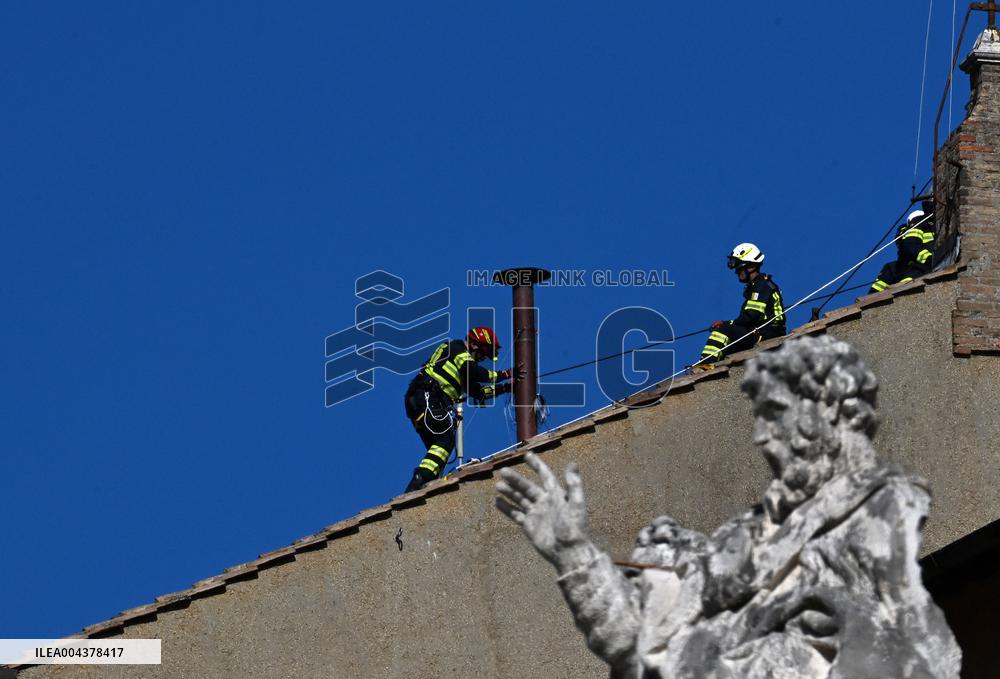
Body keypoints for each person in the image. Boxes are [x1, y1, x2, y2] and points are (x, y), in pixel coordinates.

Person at [495, 336, 961, 679]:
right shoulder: (745, 535)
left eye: (776, 415)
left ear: (829, 410)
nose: (761, 438)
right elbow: (638, 646)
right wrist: (573, 552)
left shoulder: (877, 509)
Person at [404, 326, 518, 492]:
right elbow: (475, 371)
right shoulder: (456, 348)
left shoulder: (462, 366)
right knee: (445, 438)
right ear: (473, 345)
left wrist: (506, 388)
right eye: (482, 353)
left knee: (441, 447)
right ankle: (420, 479)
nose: (481, 358)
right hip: (427, 396)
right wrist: (504, 374)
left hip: (422, 401)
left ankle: (425, 484)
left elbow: (479, 392)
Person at [696, 242, 785, 368]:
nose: (737, 272)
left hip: (767, 334)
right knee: (726, 350)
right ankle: (712, 370)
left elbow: (751, 316)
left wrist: (726, 324)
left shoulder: (761, 285)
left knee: (722, 330)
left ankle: (704, 365)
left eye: (739, 268)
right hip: (759, 333)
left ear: (751, 266)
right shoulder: (757, 286)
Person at [869, 209, 935, 293]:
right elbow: (911, 247)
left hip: (917, 271)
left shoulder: (916, 227)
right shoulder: (922, 228)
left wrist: (928, 258)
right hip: (920, 269)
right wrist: (929, 258)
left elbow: (911, 246)